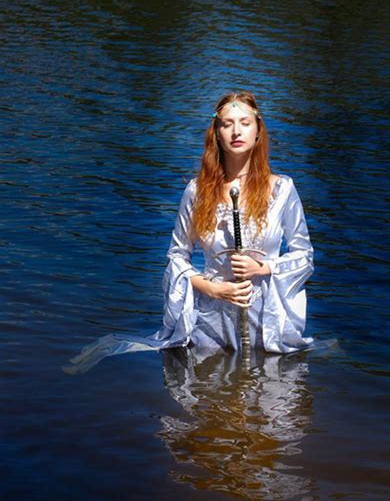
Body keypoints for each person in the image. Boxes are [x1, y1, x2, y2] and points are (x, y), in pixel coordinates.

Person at [63, 91, 319, 374]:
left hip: (266, 318)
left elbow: (304, 255)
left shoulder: (282, 190)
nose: (236, 131)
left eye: (245, 122)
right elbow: (177, 256)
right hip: (211, 321)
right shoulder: (197, 192)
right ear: (216, 134)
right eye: (227, 123)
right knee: (208, 390)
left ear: (258, 131)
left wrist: (264, 267)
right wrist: (212, 288)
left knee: (271, 389)